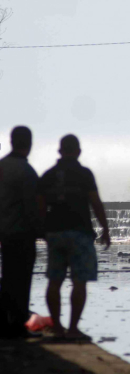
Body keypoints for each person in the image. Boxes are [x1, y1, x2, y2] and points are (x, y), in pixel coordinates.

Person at [37, 134, 110, 340]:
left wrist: (43, 231)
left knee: (54, 281)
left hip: (55, 234)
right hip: (80, 233)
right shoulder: (84, 174)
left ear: (60, 151)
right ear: (78, 151)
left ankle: (57, 327)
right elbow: (95, 203)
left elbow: (40, 208)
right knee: (79, 282)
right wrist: (106, 229)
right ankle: (73, 328)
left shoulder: (48, 175)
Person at [0, 126, 41, 338]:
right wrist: (43, 231)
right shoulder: (26, 171)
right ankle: (17, 326)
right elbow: (33, 208)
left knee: (8, 279)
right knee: (21, 282)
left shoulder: (2, 166)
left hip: (5, 234)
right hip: (22, 235)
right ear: (29, 144)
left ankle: (5, 323)